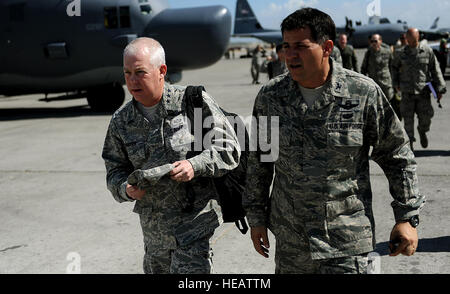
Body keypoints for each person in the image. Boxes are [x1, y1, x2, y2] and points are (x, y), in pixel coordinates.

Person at [244, 8, 424, 274]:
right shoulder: (271, 97)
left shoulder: (362, 92)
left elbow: (397, 154)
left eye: (301, 47)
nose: (290, 55)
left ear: (327, 47)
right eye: (286, 46)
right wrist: (256, 217)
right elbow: (260, 159)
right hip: (292, 243)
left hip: (346, 242)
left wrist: (407, 217)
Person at [102, 37, 241, 274]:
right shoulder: (121, 121)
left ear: (161, 71)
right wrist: (125, 189)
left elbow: (229, 148)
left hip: (194, 227)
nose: (132, 81)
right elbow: (114, 169)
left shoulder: (191, 103)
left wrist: (194, 165)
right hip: (154, 236)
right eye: (127, 73)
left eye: (140, 72)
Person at [392, 28, 446, 150]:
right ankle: (410, 143)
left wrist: (440, 87)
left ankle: (422, 131)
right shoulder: (401, 53)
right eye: (408, 39)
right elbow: (394, 67)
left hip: (423, 92)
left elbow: (435, 70)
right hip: (407, 92)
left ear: (417, 38)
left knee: (426, 118)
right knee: (408, 121)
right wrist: (395, 83)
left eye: (412, 39)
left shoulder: (427, 51)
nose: (410, 42)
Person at [361, 34, 401, 119]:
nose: (373, 43)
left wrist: (396, 83)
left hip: (387, 86)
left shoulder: (387, 52)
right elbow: (363, 69)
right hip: (374, 86)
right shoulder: (368, 53)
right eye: (372, 41)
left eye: (375, 41)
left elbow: (392, 68)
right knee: (376, 109)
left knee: (390, 108)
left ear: (380, 41)